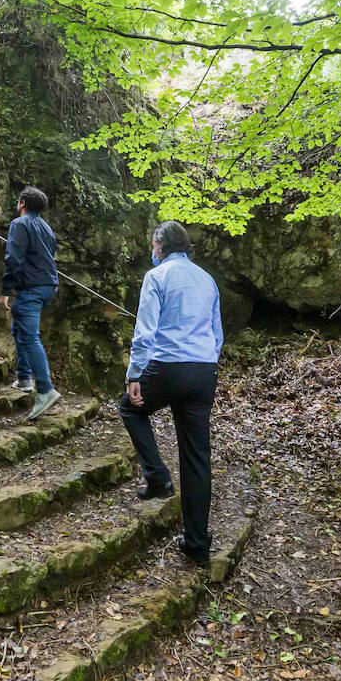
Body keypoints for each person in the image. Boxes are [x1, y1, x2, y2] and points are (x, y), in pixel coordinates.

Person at [120, 220, 223, 565]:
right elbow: (217, 333)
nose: (152, 250)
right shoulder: (207, 279)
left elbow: (145, 329)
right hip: (203, 369)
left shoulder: (158, 276)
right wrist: (206, 363)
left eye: (153, 244)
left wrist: (135, 373)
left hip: (167, 366)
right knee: (196, 457)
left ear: (160, 245)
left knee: (131, 409)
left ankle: (158, 477)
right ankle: (197, 544)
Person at [0, 186, 62, 421]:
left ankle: (45, 389)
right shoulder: (46, 227)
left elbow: (13, 258)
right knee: (19, 328)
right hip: (48, 287)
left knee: (29, 336)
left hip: (32, 288)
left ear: (22, 203)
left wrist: (5, 290)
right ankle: (24, 378)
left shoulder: (20, 224)